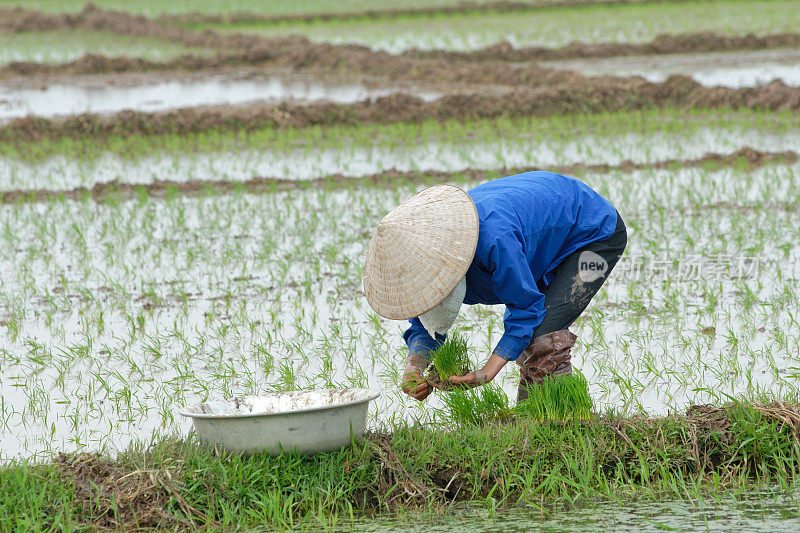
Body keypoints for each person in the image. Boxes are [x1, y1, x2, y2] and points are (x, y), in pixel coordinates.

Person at [362, 171, 627, 403]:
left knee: (544, 335)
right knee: (535, 332)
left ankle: (563, 424)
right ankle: (530, 420)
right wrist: (414, 367)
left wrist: (485, 373)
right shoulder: (425, 266)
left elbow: (525, 308)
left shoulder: (493, 242)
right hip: (538, 237)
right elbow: (427, 322)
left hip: (595, 237)